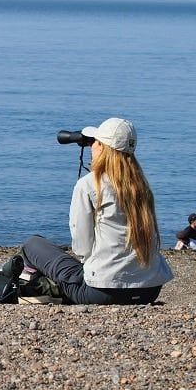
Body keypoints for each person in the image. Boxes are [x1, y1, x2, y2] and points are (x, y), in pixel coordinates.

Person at [19, 117, 173, 305]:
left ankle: (31, 281)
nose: (91, 147)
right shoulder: (142, 186)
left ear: (101, 146)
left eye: (94, 142)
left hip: (102, 293)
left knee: (32, 244)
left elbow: (82, 248)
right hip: (149, 290)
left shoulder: (90, 184)